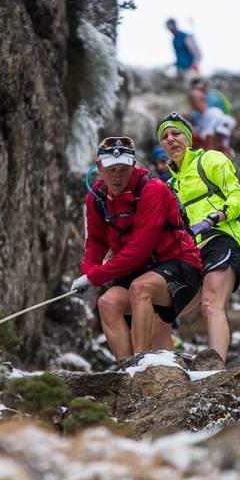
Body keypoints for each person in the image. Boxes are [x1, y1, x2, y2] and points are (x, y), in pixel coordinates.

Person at [72, 136, 203, 360]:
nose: (117, 176)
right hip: (139, 271)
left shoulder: (153, 190)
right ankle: (129, 372)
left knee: (140, 288)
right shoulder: (97, 197)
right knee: (107, 303)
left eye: (123, 169)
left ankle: (143, 365)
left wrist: (95, 276)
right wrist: (88, 270)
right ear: (99, 167)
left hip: (180, 264)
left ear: (134, 166)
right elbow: (96, 241)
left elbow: (139, 250)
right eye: (111, 169)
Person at [156, 113, 240, 363]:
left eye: (176, 133)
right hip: (192, 251)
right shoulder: (171, 185)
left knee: (210, 304)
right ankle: (167, 371)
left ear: (187, 137)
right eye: (164, 137)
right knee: (160, 315)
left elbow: (239, 196)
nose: (171, 139)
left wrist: (213, 218)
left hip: (222, 237)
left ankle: (214, 373)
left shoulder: (210, 159)